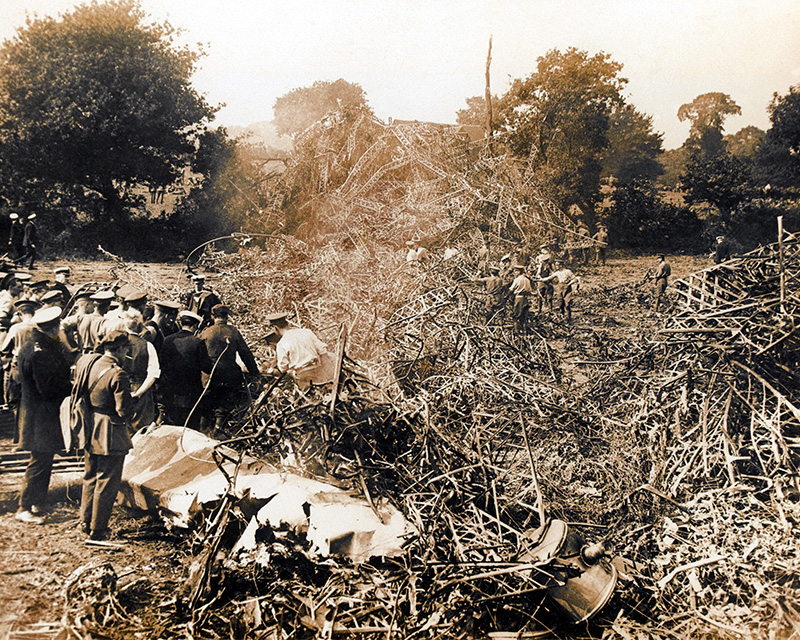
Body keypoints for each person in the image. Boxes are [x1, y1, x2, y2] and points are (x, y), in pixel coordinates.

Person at [15, 306, 72, 524]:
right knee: (39, 460)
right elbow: (49, 388)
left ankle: (37, 501)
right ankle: (24, 507)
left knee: (45, 458)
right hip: (41, 415)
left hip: (38, 413)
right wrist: (72, 387)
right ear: (54, 327)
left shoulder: (36, 346)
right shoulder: (41, 353)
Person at [75, 329, 133, 540]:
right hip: (110, 431)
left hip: (90, 426)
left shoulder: (90, 363)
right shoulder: (118, 373)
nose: (127, 352)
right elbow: (123, 409)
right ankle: (98, 529)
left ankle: (85, 521)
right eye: (126, 348)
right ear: (118, 349)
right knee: (108, 480)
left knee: (90, 476)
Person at [199, 304, 259, 431]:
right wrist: (255, 373)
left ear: (212, 316)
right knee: (225, 401)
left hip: (210, 375)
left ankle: (204, 428)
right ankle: (220, 426)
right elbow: (246, 354)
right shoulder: (233, 332)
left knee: (207, 401)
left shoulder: (205, 333)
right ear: (227, 316)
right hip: (230, 375)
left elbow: (198, 354)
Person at [159, 310, 212, 429]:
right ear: (194, 326)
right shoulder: (197, 342)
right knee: (190, 426)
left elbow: (161, 363)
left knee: (173, 426)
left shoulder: (168, 340)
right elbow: (207, 367)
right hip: (191, 393)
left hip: (171, 392)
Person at [266, 311, 336, 389]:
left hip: (304, 377)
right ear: (287, 323)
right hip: (319, 370)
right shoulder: (306, 332)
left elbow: (283, 368)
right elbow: (322, 350)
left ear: (275, 328)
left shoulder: (282, 344)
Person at [119, 313, 160, 432]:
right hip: (140, 388)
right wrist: (139, 392)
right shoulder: (147, 345)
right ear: (140, 326)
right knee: (141, 428)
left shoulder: (117, 345)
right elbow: (153, 373)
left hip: (119, 387)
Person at [509, 264, 533, 333]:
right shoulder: (527, 280)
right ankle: (524, 333)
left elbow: (511, 289)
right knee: (524, 318)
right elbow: (530, 290)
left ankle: (517, 333)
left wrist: (506, 296)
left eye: (515, 271)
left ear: (519, 271)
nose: (514, 273)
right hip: (526, 299)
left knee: (516, 317)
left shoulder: (517, 280)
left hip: (518, 298)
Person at [534, 245, 554, 314]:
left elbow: (553, 273)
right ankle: (539, 309)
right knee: (540, 295)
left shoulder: (550, 265)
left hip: (548, 281)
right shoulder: (541, 266)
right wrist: (541, 279)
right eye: (544, 261)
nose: (546, 262)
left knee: (549, 296)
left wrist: (550, 270)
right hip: (542, 281)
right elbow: (538, 274)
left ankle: (550, 310)